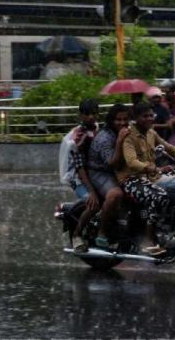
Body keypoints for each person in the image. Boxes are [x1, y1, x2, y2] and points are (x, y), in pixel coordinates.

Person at [117, 101, 175, 256]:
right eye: (145, 116)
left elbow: (169, 148)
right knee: (159, 196)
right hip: (131, 180)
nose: (149, 119)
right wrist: (150, 167)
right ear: (136, 118)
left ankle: (170, 229)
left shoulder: (151, 133)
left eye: (151, 115)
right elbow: (131, 162)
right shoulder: (129, 136)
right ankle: (150, 241)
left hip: (151, 177)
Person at [58, 99, 100, 252]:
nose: (92, 117)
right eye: (88, 114)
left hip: (94, 174)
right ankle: (77, 235)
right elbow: (79, 167)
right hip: (78, 178)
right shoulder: (78, 137)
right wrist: (92, 192)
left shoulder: (97, 129)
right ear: (81, 115)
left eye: (95, 113)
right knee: (93, 203)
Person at [86, 104, 130, 249]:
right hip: (100, 171)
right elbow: (113, 163)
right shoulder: (105, 138)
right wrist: (119, 141)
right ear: (111, 120)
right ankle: (102, 232)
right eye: (118, 119)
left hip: (119, 169)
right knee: (115, 194)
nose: (122, 122)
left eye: (125, 119)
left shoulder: (126, 131)